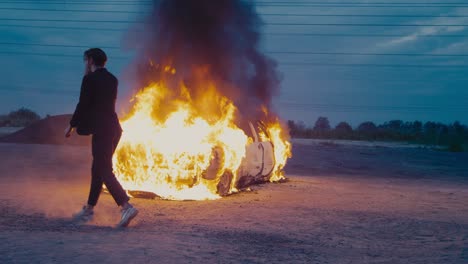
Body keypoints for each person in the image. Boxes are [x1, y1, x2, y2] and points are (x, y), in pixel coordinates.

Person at [65, 48, 138, 228]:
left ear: (90, 61)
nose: (85, 64)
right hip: (114, 128)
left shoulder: (89, 79)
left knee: (103, 168)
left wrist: (72, 125)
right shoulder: (112, 79)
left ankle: (126, 206)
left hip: (102, 130)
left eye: (86, 61)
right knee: (98, 168)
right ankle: (89, 209)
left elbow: (83, 104)